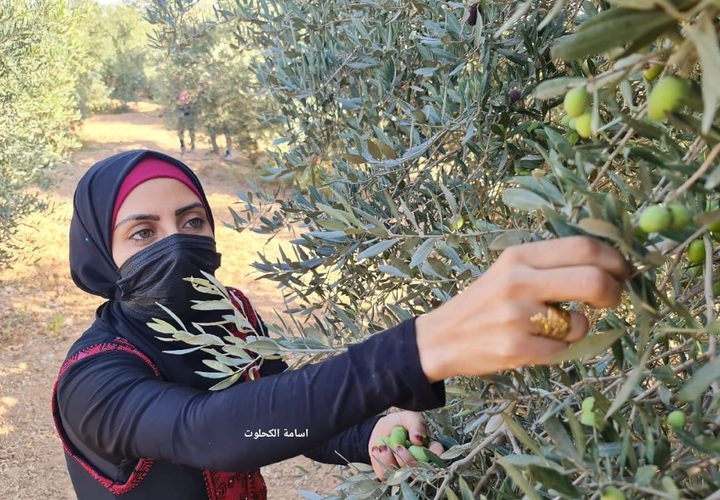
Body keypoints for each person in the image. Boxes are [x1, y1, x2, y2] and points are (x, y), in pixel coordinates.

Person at [54, 149, 630, 499]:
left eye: (192, 220)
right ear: (99, 253)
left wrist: (367, 433)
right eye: (142, 232)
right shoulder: (92, 379)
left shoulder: (228, 314)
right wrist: (423, 345)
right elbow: (211, 433)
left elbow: (282, 421)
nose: (177, 242)